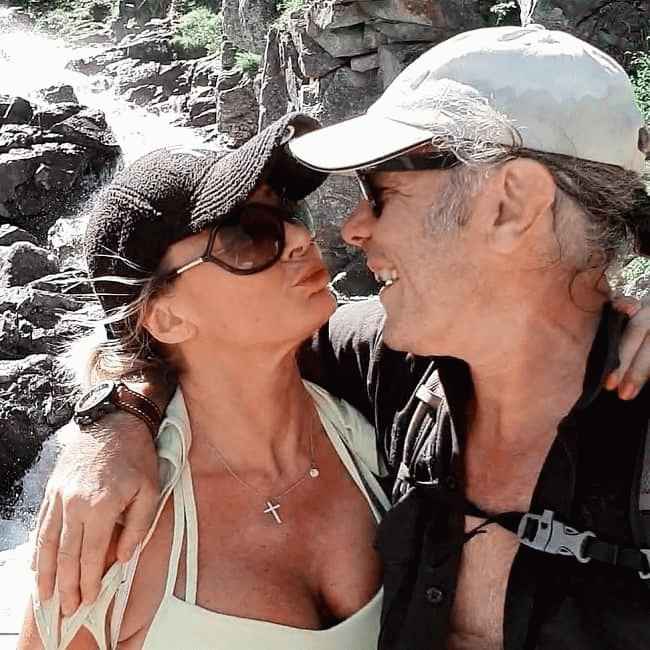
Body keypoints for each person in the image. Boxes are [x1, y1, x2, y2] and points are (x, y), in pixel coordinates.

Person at [31, 24, 650, 650]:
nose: (337, 232)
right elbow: (210, 358)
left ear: (510, 204)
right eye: (251, 235)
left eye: (380, 194)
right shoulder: (390, 368)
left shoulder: (380, 384)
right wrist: (113, 418)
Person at [18, 114, 388, 649]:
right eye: (248, 235)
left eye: (290, 214)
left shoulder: (384, 411)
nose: (300, 237)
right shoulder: (113, 532)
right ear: (166, 318)